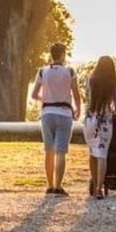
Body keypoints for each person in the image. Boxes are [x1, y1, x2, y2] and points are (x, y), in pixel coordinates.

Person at [31, 42, 81, 196]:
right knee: (61, 152)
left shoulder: (42, 71)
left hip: (47, 113)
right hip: (64, 113)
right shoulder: (70, 71)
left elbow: (33, 94)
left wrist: (45, 98)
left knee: (49, 151)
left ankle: (49, 185)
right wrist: (78, 108)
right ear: (63, 54)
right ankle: (58, 186)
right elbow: (76, 93)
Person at [83, 56, 116, 200]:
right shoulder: (112, 83)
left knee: (93, 152)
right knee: (102, 153)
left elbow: (87, 97)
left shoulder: (90, 80)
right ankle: (99, 187)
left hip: (90, 119)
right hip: (105, 121)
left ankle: (94, 184)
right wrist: (114, 111)